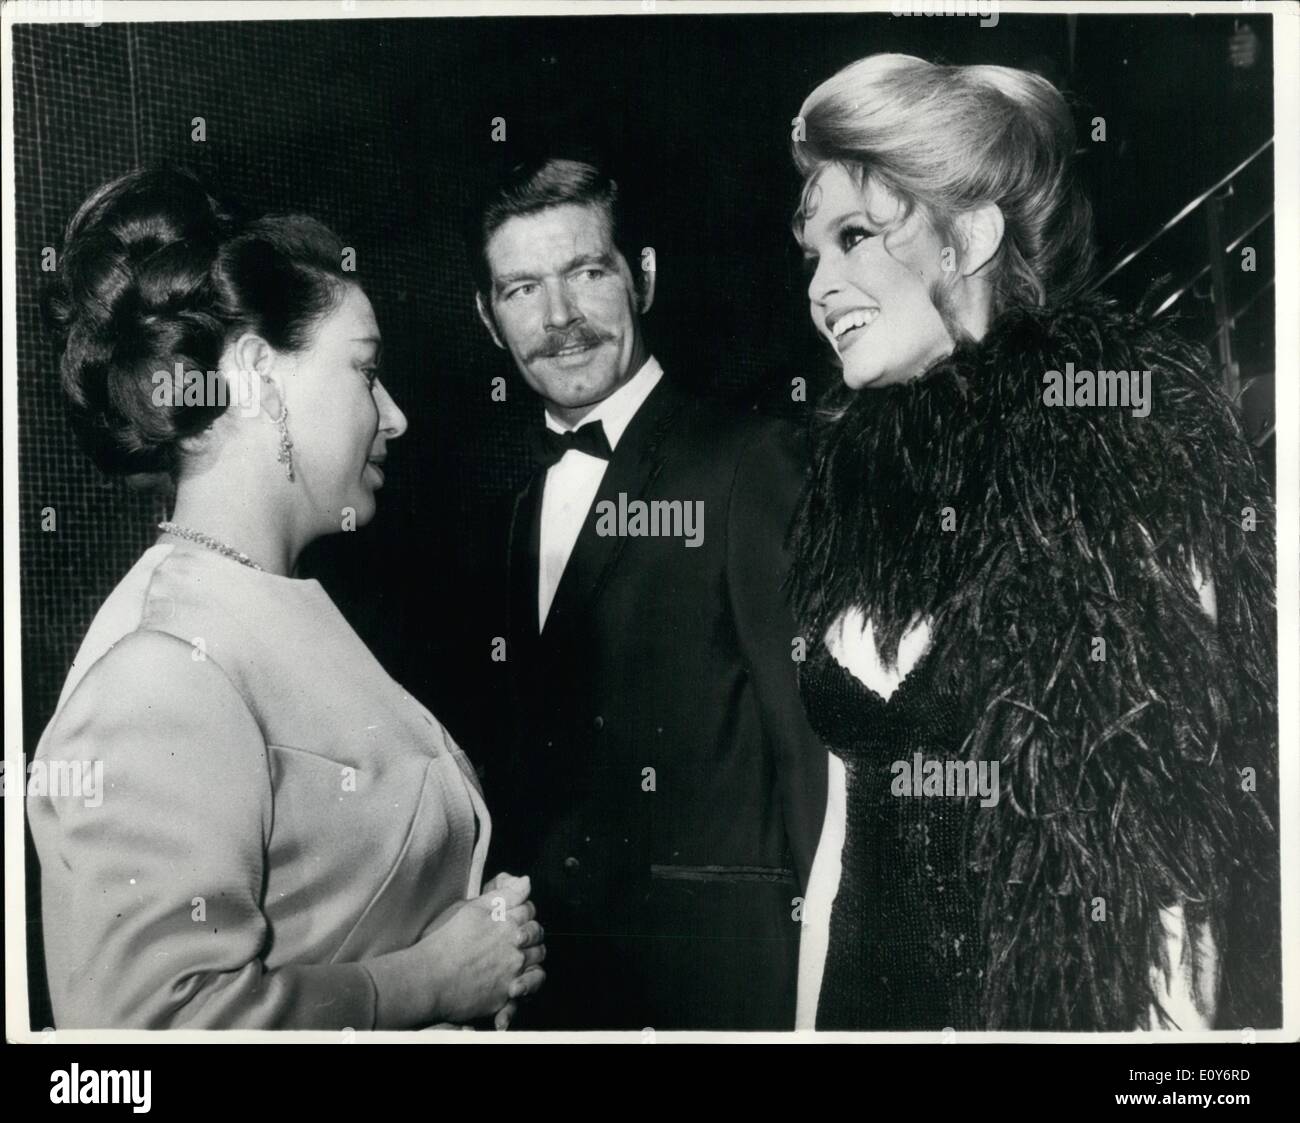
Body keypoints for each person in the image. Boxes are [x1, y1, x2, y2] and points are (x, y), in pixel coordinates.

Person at [787, 55, 1278, 1031]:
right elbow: (843, 837)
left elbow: (1180, 879)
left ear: (968, 234)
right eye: (810, 253)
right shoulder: (853, 487)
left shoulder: (1121, 453)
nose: (821, 285)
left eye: (854, 238)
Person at [28, 167, 545, 1030]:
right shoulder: (160, 667)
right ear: (259, 372)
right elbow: (149, 1034)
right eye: (366, 372)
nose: (397, 415)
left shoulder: (264, 600)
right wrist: (428, 981)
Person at [472, 156, 827, 1029]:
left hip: (721, 998)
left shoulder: (752, 460)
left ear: (644, 278)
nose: (558, 318)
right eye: (522, 289)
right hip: (564, 1001)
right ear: (489, 320)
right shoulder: (511, 510)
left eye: (586, 273)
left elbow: (813, 763)